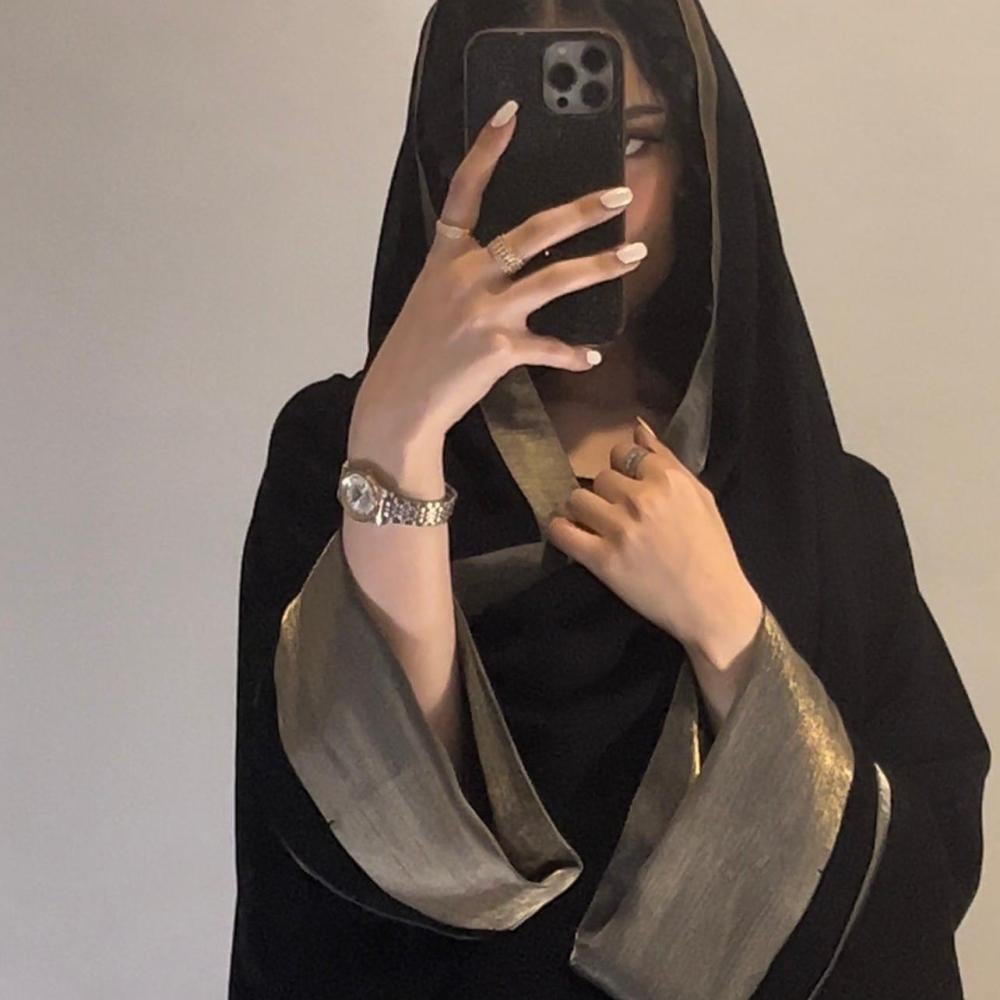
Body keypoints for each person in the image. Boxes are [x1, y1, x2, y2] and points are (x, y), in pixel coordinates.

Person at [227, 1, 991, 997]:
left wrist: (726, 623)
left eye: (632, 142)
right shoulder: (333, 452)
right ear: (444, 162)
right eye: (511, 144)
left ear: (700, 164)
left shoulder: (825, 505)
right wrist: (396, 439)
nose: (589, 199)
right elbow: (365, 839)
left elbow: (913, 876)